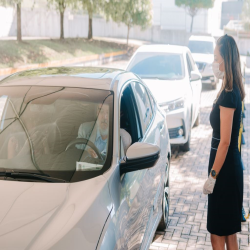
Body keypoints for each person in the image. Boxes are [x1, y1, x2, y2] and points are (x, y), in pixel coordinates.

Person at [203, 34, 246, 249]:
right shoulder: (229, 90)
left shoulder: (229, 94)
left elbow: (225, 141)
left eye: (216, 56)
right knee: (228, 233)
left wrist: (212, 176)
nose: (213, 62)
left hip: (224, 173)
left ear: (225, 60)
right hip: (227, 170)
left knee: (217, 233)